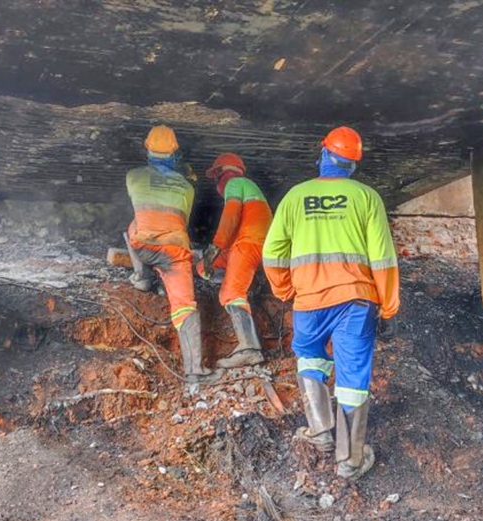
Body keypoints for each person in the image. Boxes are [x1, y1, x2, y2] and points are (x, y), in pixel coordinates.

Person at [262, 126, 400, 480]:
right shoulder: (366, 197)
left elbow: (273, 252)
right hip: (355, 302)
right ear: (353, 165)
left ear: (323, 153)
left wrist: (284, 289)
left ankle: (320, 429)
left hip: (308, 300)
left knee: (309, 356)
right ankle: (349, 460)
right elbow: (383, 259)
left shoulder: (295, 196)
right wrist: (388, 306)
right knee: (352, 375)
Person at [124, 125, 217, 384]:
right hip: (175, 252)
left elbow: (138, 200)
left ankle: (141, 277)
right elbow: (182, 220)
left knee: (134, 224)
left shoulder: (134, 176)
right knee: (186, 307)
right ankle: (195, 372)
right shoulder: (187, 188)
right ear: (176, 153)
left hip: (143, 246)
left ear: (147, 148)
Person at [197, 153, 273, 368]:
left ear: (220, 173)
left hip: (248, 244)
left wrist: (215, 247)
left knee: (230, 293)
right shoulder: (247, 186)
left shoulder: (236, 183)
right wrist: (209, 260)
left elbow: (230, 218)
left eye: (215, 177)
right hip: (253, 244)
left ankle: (249, 349)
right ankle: (234, 281)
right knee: (203, 268)